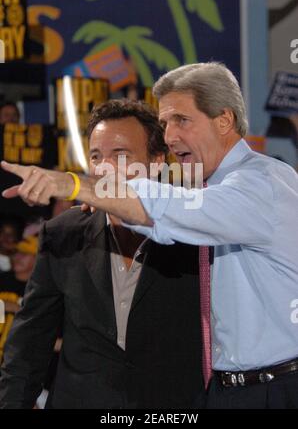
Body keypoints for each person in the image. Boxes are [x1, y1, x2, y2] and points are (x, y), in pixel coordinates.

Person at [2, 63, 298, 409]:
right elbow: (30, 342)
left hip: (269, 389)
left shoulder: (256, 185)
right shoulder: (71, 230)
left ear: (224, 120)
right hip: (226, 392)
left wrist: (74, 185)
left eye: (182, 120)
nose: (171, 137)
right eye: (165, 123)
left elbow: (171, 208)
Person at [0, 99, 205, 409]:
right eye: (96, 156)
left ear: (158, 160)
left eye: (121, 155)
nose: (105, 167)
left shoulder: (194, 233)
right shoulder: (63, 232)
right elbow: (30, 340)